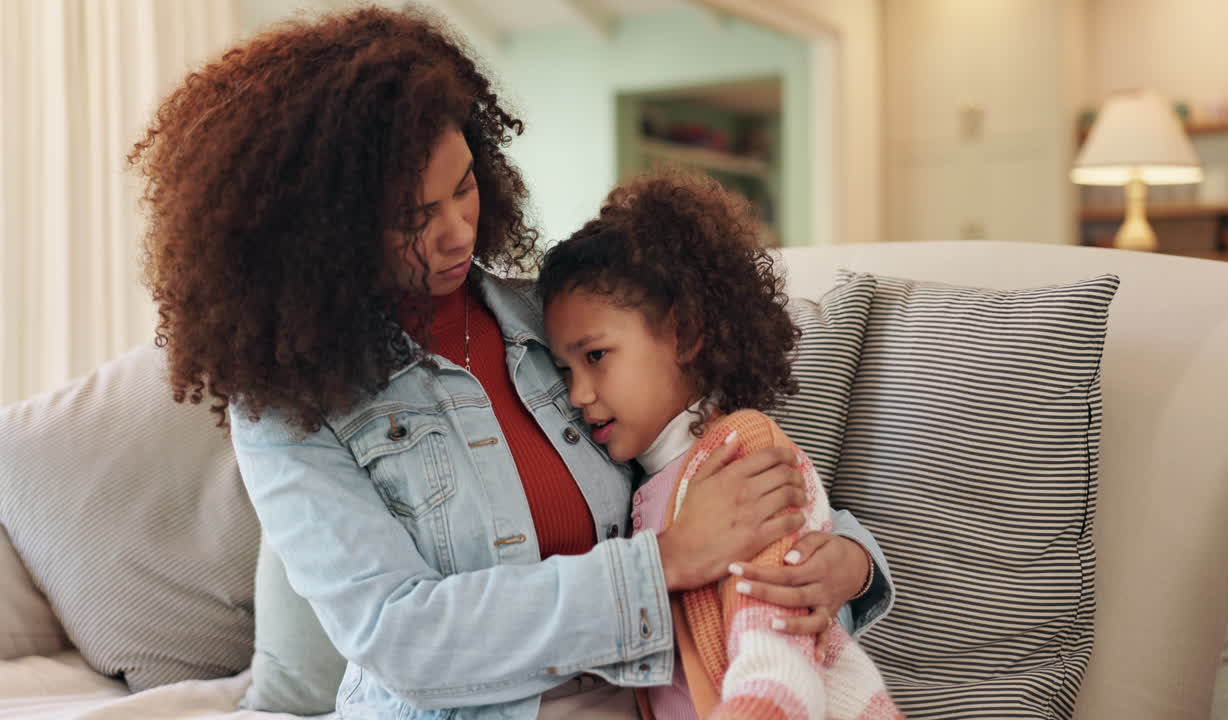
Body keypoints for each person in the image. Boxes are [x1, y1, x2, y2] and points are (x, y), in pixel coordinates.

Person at [127, 7, 894, 719]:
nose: (459, 232)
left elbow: (716, 468)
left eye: (464, 187)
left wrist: (849, 565)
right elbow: (402, 638)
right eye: (412, 219)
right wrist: (664, 561)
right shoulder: (287, 408)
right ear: (320, 236)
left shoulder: (562, 326)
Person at [539, 169, 902, 720]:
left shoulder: (741, 455)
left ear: (685, 334)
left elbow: (779, 669)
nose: (579, 394)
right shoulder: (640, 477)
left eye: (596, 357)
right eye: (565, 370)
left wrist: (853, 561)